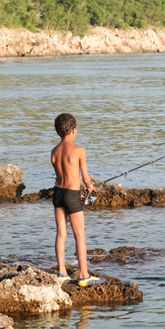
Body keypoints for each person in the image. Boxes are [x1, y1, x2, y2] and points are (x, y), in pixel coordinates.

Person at [51, 113, 104, 287]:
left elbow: (63, 175)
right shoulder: (79, 150)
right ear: (73, 130)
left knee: (61, 233)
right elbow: (85, 177)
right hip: (71, 195)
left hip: (58, 193)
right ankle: (83, 275)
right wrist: (90, 187)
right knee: (80, 235)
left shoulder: (54, 152)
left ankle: (62, 272)